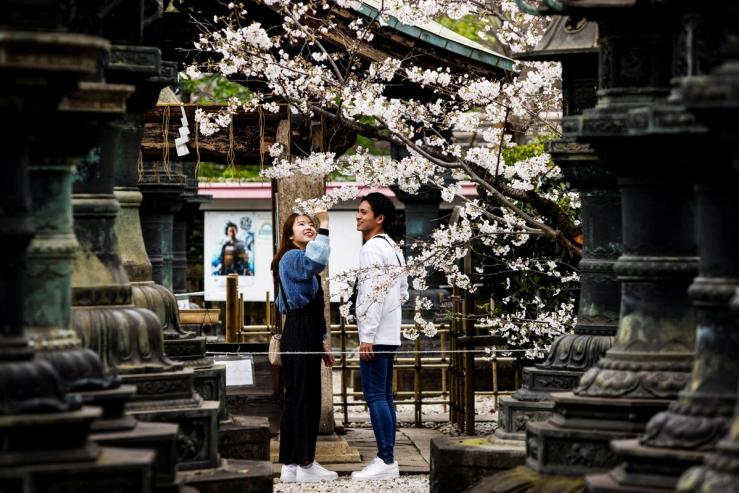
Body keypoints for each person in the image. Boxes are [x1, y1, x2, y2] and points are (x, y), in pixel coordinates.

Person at [272, 209, 338, 483]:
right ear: (290, 234)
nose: (308, 227)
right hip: (299, 332)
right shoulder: (293, 257)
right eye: (302, 224)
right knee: (304, 399)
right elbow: (317, 262)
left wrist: (322, 341)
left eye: (310, 224)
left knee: (298, 397)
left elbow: (315, 308)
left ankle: (290, 464)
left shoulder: (296, 259)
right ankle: (306, 462)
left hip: (303, 332)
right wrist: (323, 228)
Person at [352, 192, 409, 481]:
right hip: (390, 331)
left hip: (375, 334)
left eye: (364, 212)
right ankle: (388, 458)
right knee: (385, 396)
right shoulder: (394, 247)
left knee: (375, 396)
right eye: (358, 211)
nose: (358, 216)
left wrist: (367, 335)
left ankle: (385, 459)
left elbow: (371, 295)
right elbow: (404, 292)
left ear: (380, 218)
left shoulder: (372, 248)